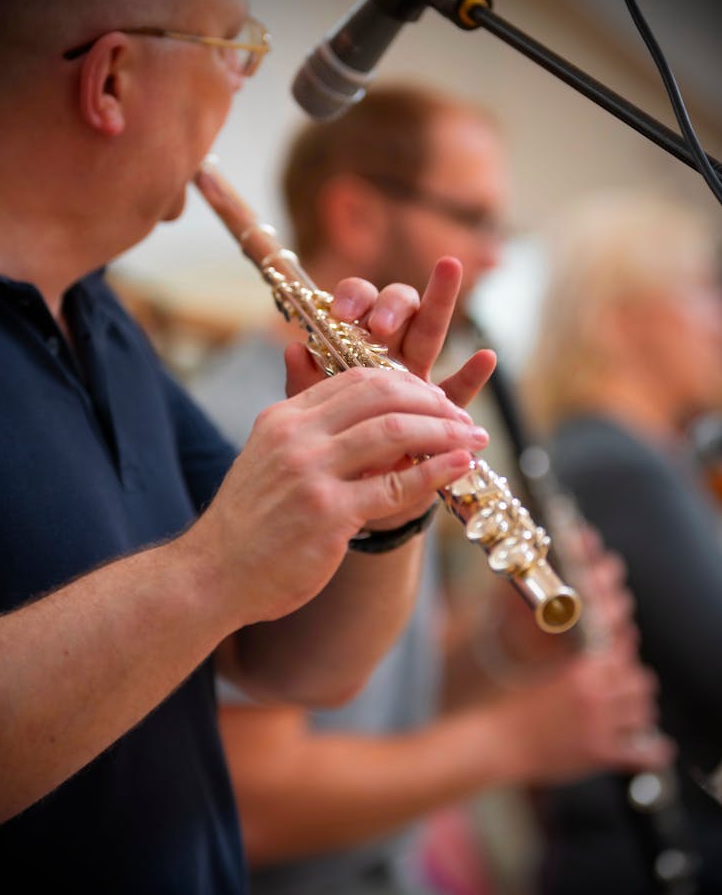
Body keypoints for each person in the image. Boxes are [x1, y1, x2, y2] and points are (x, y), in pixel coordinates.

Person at [0, 0, 516, 892]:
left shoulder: (108, 327)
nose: (246, 78)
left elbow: (296, 664)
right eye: (232, 48)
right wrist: (212, 566)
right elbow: (218, 581)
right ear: (112, 80)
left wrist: (383, 507)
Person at [191, 83, 672, 895]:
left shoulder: (381, 405)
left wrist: (505, 646)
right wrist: (517, 739)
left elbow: (376, 708)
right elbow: (254, 796)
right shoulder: (249, 425)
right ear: (356, 216)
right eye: (473, 218)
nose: (496, 256)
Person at [520, 191, 722, 895]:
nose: (719, 323)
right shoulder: (616, 462)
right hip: (645, 860)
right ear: (623, 320)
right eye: (702, 293)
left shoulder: (628, 455)